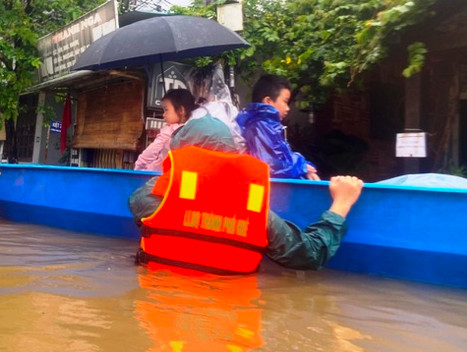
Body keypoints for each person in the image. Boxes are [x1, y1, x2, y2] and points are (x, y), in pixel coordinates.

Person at [129, 115, 363, 271]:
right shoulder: (255, 210)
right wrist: (340, 205)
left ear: (181, 150)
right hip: (231, 327)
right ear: (231, 154)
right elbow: (310, 254)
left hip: (162, 314)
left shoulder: (153, 195)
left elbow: (136, 203)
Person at [237, 74, 319, 180]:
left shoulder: (268, 125)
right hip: (262, 192)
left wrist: (304, 166)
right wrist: (301, 166)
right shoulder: (258, 126)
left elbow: (284, 159)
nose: (288, 108)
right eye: (285, 101)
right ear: (268, 101)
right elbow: (269, 166)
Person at [135, 89, 198, 172]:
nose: (163, 115)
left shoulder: (169, 130)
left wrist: (139, 167)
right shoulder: (194, 129)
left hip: (157, 174)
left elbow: (152, 151)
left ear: (181, 110)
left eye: (166, 110)